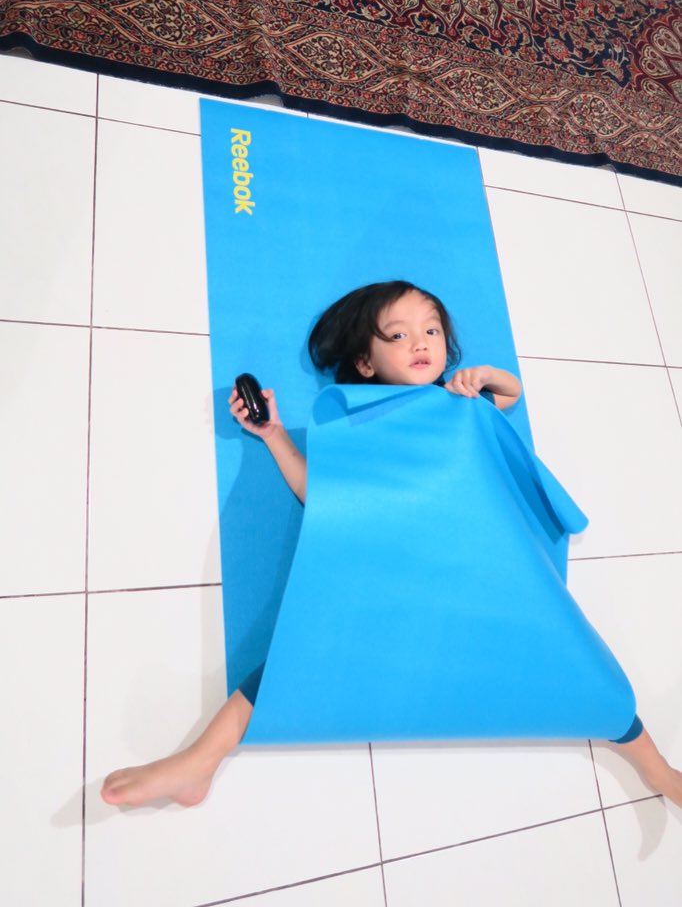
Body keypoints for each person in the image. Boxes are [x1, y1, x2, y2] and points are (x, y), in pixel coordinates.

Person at [101, 281, 682, 808]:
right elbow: (322, 494)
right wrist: (273, 433)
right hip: (394, 574)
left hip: (482, 571)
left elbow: (510, 393)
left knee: (574, 656)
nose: (420, 343)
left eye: (432, 331)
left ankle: (656, 768)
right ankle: (199, 761)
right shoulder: (360, 426)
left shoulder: (460, 402)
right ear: (365, 362)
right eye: (398, 336)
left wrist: (483, 376)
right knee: (301, 656)